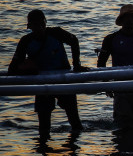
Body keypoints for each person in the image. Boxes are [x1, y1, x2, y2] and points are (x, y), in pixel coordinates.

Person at [9, 9, 84, 138]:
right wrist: (29, 70)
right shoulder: (26, 41)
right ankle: (44, 154)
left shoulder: (56, 33)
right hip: (42, 83)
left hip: (63, 79)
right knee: (44, 127)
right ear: (29, 26)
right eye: (36, 25)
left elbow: (74, 41)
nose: (39, 28)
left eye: (41, 24)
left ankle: (74, 152)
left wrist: (76, 65)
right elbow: (13, 68)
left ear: (45, 23)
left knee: (75, 122)